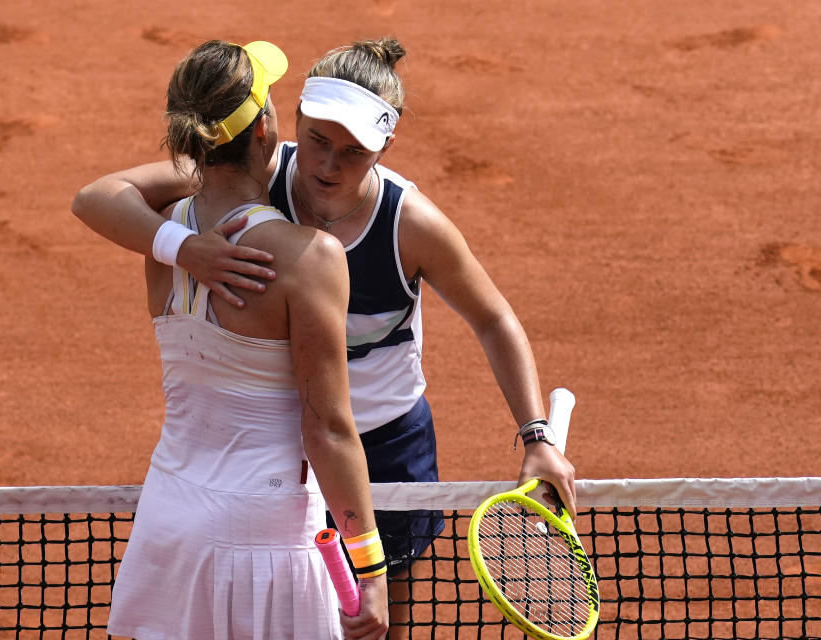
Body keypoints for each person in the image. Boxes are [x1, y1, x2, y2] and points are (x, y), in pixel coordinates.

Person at [73, 38, 576, 638]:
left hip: (385, 447)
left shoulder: (411, 225)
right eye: (316, 140)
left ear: (385, 147)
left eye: (354, 152)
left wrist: (535, 434)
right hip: (292, 455)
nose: (327, 167)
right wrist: (188, 249)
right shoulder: (258, 174)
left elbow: (494, 320)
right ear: (289, 124)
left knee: (379, 625)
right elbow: (100, 198)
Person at [95, 40, 388, 640]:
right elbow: (327, 426)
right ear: (265, 131)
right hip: (266, 534)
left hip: (168, 519)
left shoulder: (162, 238)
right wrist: (370, 563)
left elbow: (100, 195)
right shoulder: (311, 259)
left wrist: (182, 246)